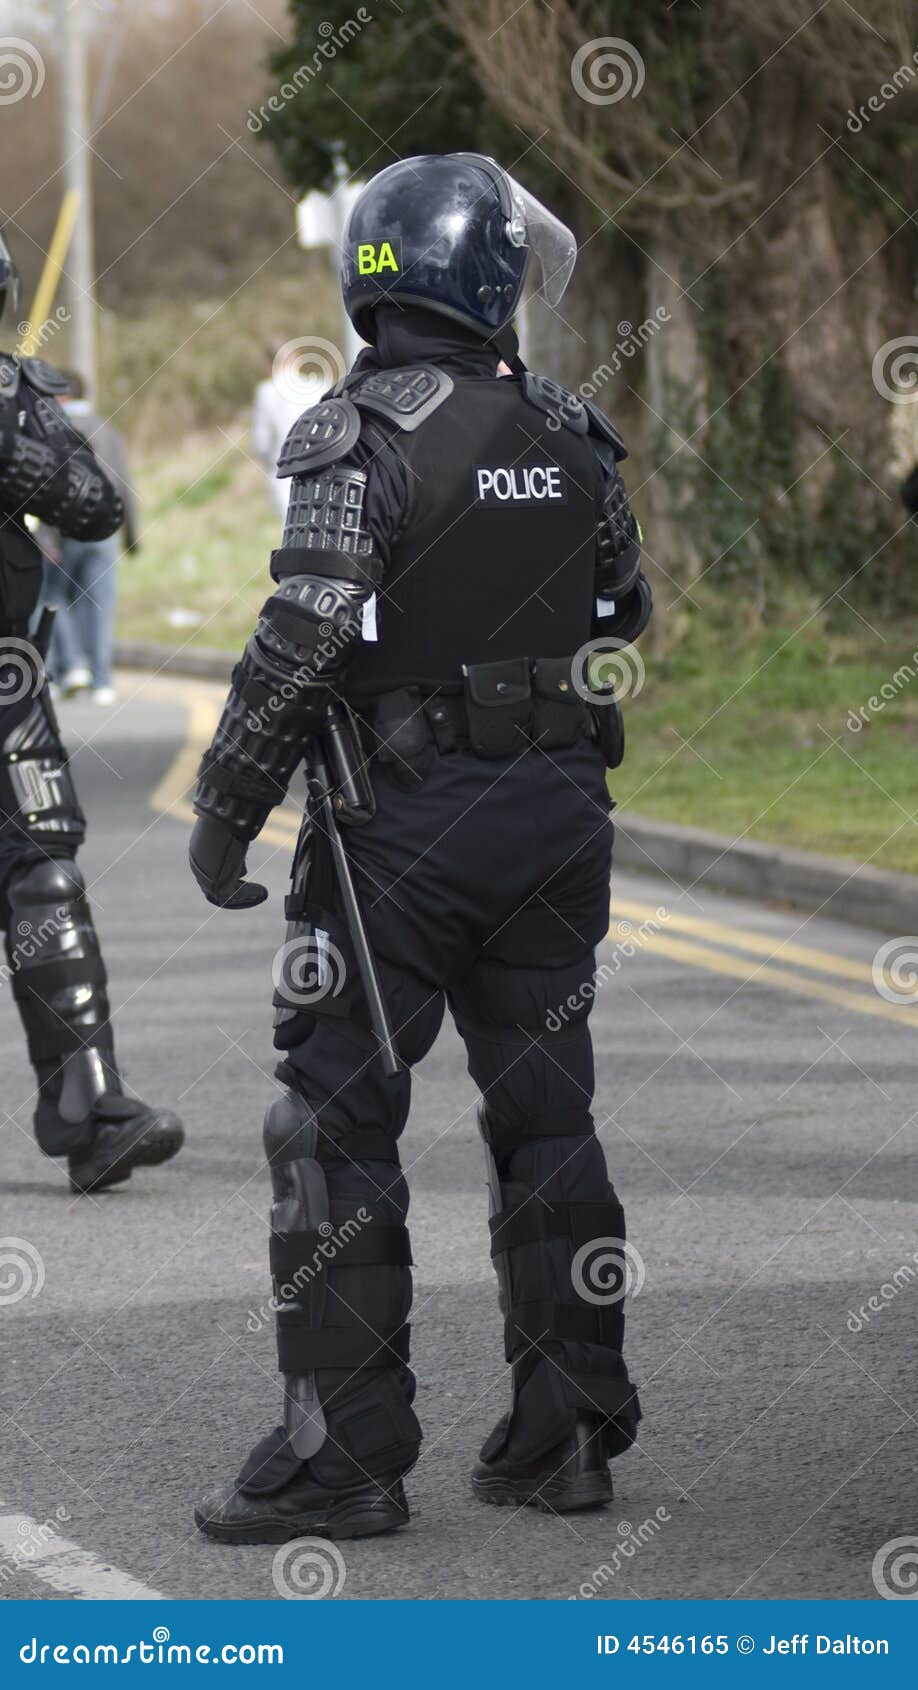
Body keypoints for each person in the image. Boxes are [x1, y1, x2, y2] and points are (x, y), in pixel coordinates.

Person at [188, 153, 652, 1544]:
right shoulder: (572, 429)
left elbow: (304, 632)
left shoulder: (355, 435)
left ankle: (345, 1455)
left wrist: (224, 805)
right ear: (493, 275)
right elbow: (620, 610)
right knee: (547, 1117)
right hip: (559, 816)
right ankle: (565, 1431)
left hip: (398, 829)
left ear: (373, 272)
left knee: (329, 1127)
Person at [0, 231, 184, 1194]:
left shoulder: (12, 394)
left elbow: (101, 504)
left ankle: (90, 1105)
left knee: (46, 883)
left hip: (9, 687)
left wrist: (21, 462)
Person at [42, 372, 138, 705]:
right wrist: (132, 535)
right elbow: (124, 482)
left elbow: (47, 487)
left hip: (65, 529)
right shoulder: (108, 429)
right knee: (99, 605)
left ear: (59, 396)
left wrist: (47, 537)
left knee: (52, 597)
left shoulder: (51, 429)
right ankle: (102, 681)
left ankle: (70, 666)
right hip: (105, 531)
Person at [251, 341, 326, 521]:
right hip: (320, 465)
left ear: (269, 363)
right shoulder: (318, 386)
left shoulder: (266, 391)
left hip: (283, 470)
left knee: (293, 532)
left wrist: (267, 462)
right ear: (296, 358)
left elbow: (261, 442)